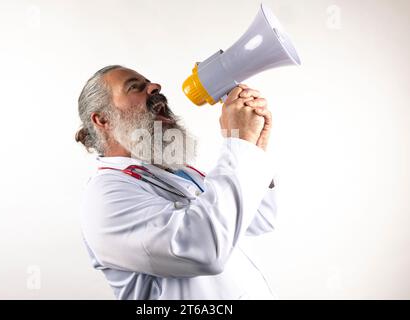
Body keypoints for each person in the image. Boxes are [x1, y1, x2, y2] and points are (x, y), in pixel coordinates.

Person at [75, 65, 278, 300]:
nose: (155, 86)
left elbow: (259, 220)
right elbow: (205, 250)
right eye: (134, 87)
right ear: (103, 119)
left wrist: (255, 147)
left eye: (149, 82)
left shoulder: (177, 172)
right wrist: (239, 142)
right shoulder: (104, 197)